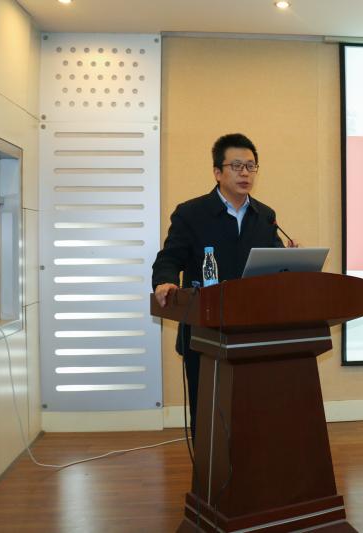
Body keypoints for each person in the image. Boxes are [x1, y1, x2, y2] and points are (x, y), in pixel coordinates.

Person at [152, 133, 285, 439]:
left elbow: (273, 263)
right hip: (205, 329)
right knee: (208, 413)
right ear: (217, 172)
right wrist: (165, 281)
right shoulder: (191, 213)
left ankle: (250, 466)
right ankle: (208, 469)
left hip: (252, 329)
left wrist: (288, 261)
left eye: (251, 166)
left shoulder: (265, 216)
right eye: (236, 166)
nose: (245, 173)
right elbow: (169, 258)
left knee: (251, 411)